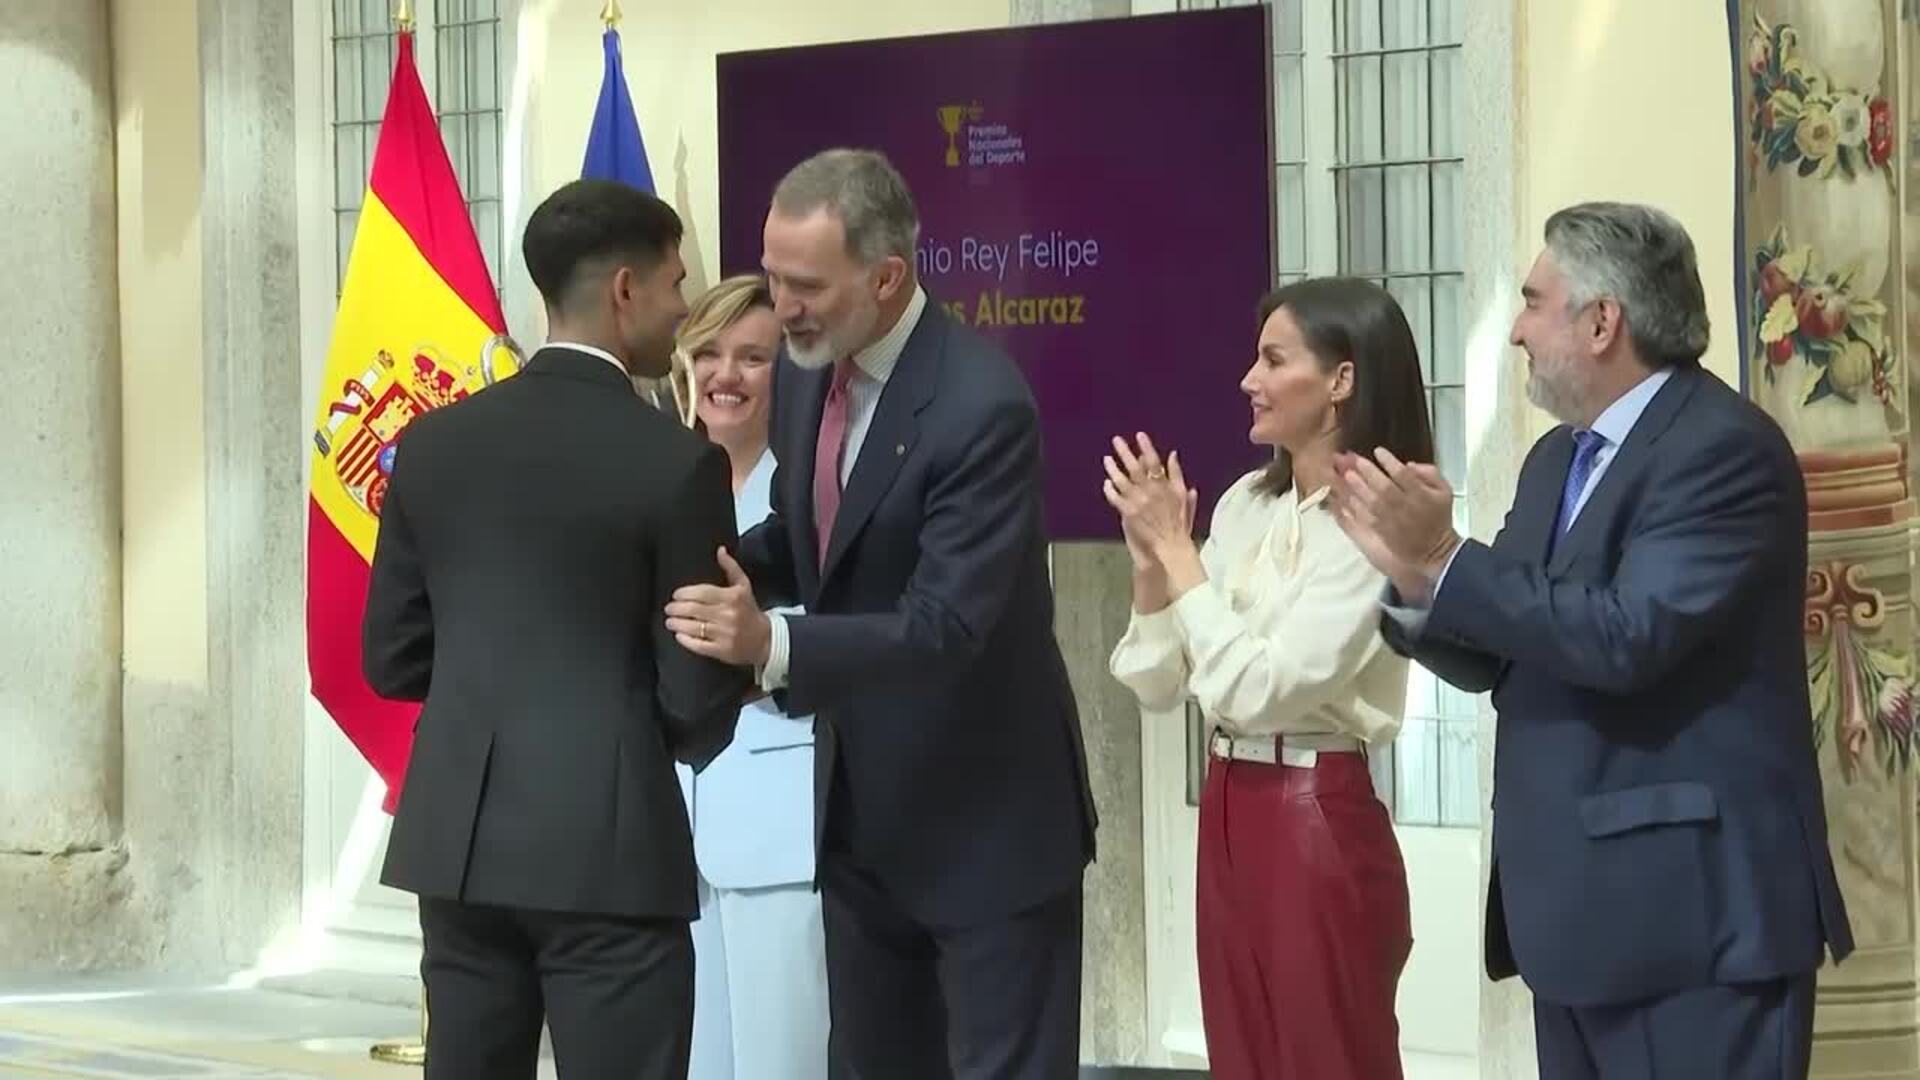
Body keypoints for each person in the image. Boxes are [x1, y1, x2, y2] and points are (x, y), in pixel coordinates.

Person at [1331, 201, 1854, 1078]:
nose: (1516, 332)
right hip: (1575, 923)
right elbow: (1505, 648)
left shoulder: (1723, 449)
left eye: (1533, 303)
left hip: (1692, 929)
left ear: (1603, 321)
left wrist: (1448, 555)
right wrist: (1416, 582)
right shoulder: (1556, 459)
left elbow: (1627, 637)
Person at [664, 148, 1096, 1079]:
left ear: (888, 277)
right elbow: (808, 538)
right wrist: (696, 571)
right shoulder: (808, 374)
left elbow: (946, 625)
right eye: (774, 277)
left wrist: (770, 644)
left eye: (806, 286)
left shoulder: (981, 405)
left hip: (987, 828)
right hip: (860, 821)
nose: (783, 308)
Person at [363, 178, 749, 1080]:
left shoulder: (432, 445)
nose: (683, 307)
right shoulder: (678, 464)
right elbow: (694, 695)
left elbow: (392, 656)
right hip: (611, 859)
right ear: (625, 289)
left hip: (459, 848)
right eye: (676, 282)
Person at [1105, 278, 1426, 1079]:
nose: (1250, 379)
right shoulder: (1248, 501)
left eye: (1275, 360)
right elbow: (1157, 683)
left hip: (1316, 805)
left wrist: (1179, 556)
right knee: (1240, 1055)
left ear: (1342, 379)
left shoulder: (1380, 520)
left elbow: (1258, 689)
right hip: (1227, 798)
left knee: (1328, 1057)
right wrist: (1151, 565)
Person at [669, 274, 831, 1080]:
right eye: (708, 352)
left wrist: (765, 648)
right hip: (670, 836)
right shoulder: (661, 484)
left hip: (780, 832)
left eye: (752, 357)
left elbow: (852, 640)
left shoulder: (816, 495)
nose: (724, 375)